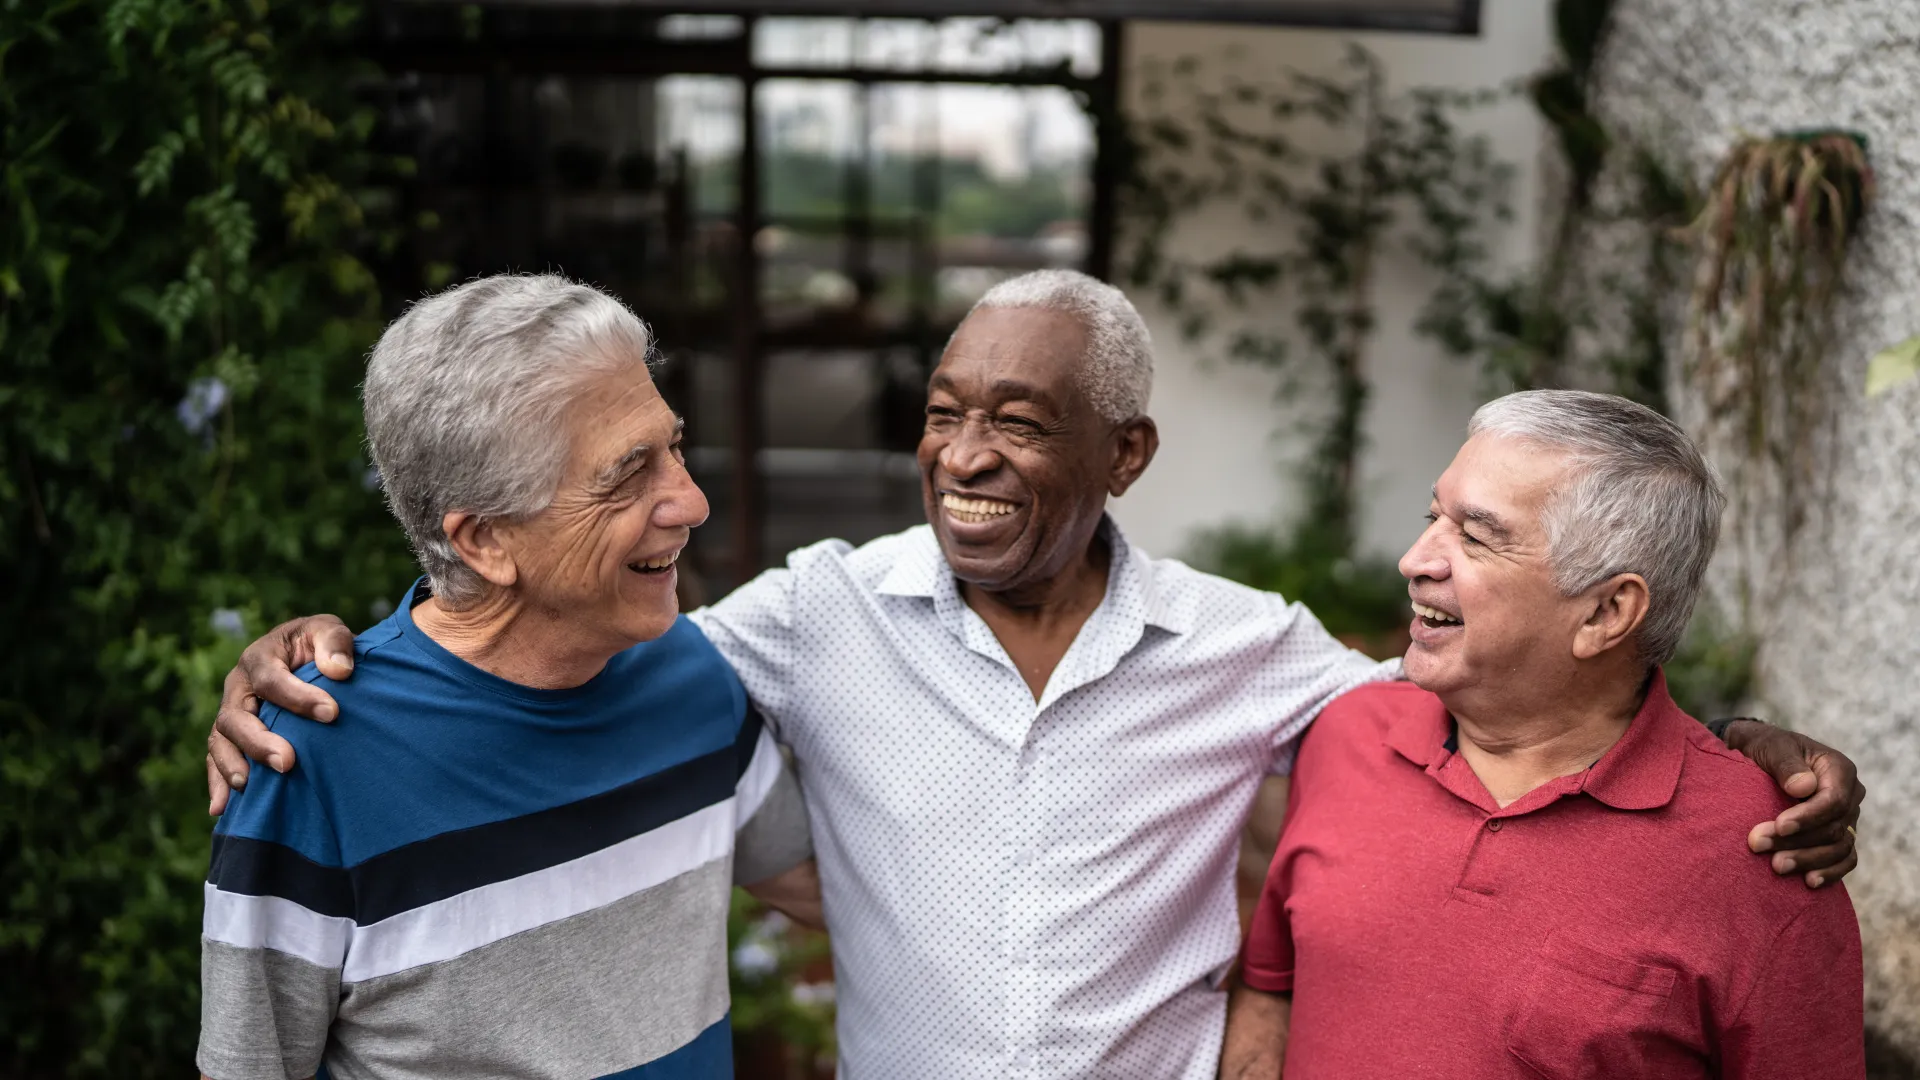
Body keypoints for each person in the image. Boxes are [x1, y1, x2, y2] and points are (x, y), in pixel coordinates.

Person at [205, 272, 1865, 1079]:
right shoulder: (804, 623)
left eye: (1023, 420)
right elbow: (536, 638)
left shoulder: (1246, 649)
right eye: (944, 410)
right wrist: (324, 642)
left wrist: (1741, 746)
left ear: (1125, 453)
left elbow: (1490, 685)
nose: (968, 455)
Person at [196, 276, 818, 1080]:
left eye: (674, 448)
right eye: (629, 473)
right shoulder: (309, 761)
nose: (691, 501)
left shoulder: (692, 677)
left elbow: (833, 893)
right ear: (486, 541)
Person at [1222, 390, 1864, 1079]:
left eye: (1475, 536)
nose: (1415, 559)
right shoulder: (1348, 732)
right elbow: (1272, 981)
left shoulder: (1767, 851)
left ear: (1606, 613)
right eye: (1432, 516)